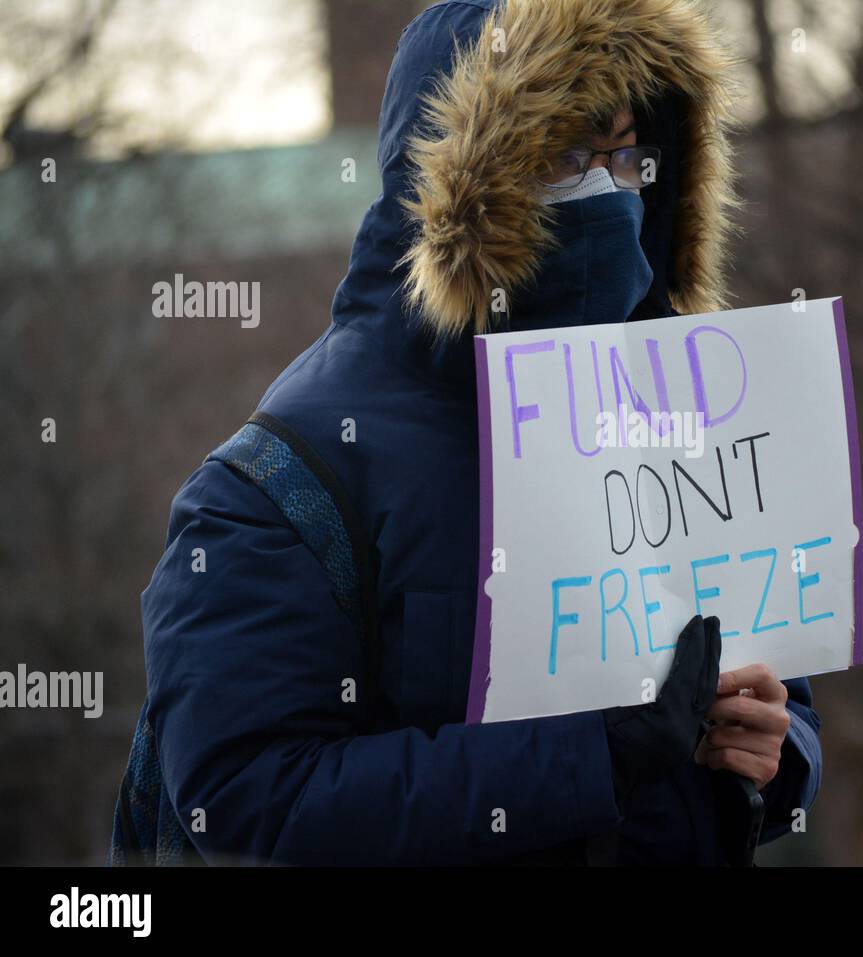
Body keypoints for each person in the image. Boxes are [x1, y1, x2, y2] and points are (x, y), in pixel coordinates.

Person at [140, 0, 822, 865]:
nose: (610, 194)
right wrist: (588, 758)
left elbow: (779, 688)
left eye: (627, 160)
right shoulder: (285, 478)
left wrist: (776, 747)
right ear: (459, 190)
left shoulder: (682, 412)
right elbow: (246, 800)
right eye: (567, 157)